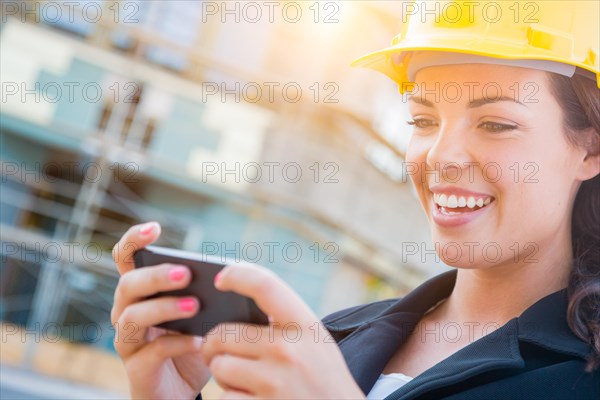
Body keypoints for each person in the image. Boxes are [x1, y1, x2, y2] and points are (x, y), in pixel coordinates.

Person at [110, 1, 600, 398]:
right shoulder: (330, 340)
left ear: (590, 148)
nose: (441, 156)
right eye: (423, 120)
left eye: (496, 124)